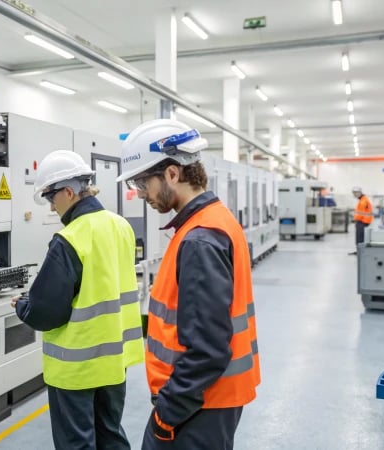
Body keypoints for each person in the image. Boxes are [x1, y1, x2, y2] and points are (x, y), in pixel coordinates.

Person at [117, 119, 261, 450]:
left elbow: (208, 348)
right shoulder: (212, 219)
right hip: (207, 399)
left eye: (142, 182)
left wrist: (167, 414)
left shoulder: (199, 239)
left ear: (171, 173)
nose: (140, 194)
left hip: (198, 406)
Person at [11, 150, 143, 450]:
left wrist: (22, 306)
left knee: (77, 443)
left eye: (50, 197)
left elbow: (45, 312)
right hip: (114, 359)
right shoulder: (120, 225)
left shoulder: (70, 237)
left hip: (77, 365)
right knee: (110, 433)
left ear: (69, 192)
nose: (51, 205)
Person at [349, 186, 373, 255]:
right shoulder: (363, 199)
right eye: (354, 193)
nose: (354, 194)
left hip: (362, 221)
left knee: (359, 238)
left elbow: (361, 213)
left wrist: (355, 219)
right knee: (360, 237)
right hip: (363, 221)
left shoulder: (363, 201)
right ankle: (359, 251)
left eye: (355, 193)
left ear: (359, 192)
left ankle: (360, 252)